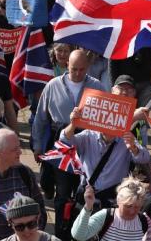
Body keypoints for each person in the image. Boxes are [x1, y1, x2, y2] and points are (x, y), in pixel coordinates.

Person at [32, 50, 107, 241]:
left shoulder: (97, 86)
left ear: (88, 68)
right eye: (74, 69)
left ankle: (81, 232)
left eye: (82, 69)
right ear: (67, 65)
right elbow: (41, 118)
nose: (78, 73)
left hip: (88, 140)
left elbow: (106, 118)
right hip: (61, 141)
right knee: (63, 191)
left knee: (85, 190)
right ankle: (60, 233)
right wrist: (38, 145)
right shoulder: (53, 85)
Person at [60, 105, 151, 209]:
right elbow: (64, 141)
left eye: (114, 122)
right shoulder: (89, 135)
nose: (110, 126)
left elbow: (145, 158)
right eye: (107, 122)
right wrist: (73, 124)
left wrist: (134, 148)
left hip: (111, 199)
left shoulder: (126, 138)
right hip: (86, 197)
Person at [71, 178, 151, 241]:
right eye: (128, 206)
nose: (132, 211)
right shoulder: (106, 215)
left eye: (137, 207)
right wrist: (88, 206)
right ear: (118, 201)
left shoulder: (144, 220)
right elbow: (79, 235)